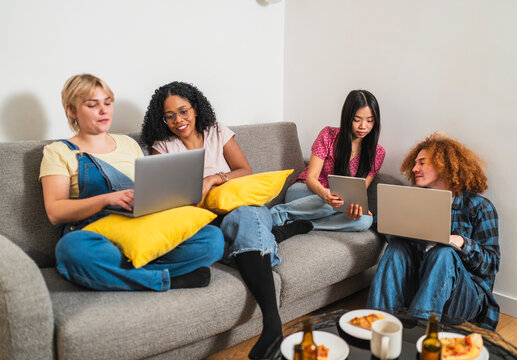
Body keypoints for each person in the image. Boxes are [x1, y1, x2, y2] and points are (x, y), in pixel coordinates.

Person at [141, 81, 313, 359]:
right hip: (203, 220)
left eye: (183, 111)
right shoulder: (163, 146)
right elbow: (166, 198)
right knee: (246, 234)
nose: (178, 120)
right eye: (169, 116)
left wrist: (214, 178)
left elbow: (244, 170)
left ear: (195, 108)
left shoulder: (217, 132)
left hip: (237, 210)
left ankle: (272, 324)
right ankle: (276, 236)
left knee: (248, 214)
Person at [40, 74, 224, 291]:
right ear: (71, 110)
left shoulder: (128, 144)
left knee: (212, 239)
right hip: (98, 238)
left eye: (108, 103)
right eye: (93, 105)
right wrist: (107, 199)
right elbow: (56, 212)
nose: (104, 110)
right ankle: (166, 280)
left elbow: (148, 193)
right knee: (70, 250)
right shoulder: (58, 151)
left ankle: (122, 274)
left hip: (139, 230)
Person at [366, 133, 500, 330]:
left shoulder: (480, 207)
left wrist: (460, 242)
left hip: (462, 297)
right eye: (414, 163)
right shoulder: (414, 201)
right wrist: (370, 217)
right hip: (420, 287)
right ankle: (377, 326)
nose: (414, 168)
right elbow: (388, 228)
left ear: (442, 164)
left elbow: (492, 265)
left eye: (421, 162)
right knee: (397, 247)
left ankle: (420, 334)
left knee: (444, 253)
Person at [270, 89, 385, 231]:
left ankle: (303, 225)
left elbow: (358, 194)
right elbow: (311, 178)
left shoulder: (377, 153)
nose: (363, 126)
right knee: (334, 201)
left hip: (335, 202)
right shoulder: (328, 135)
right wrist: (325, 194)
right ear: (348, 117)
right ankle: (278, 214)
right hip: (305, 192)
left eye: (370, 121)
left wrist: (355, 209)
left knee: (365, 220)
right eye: (357, 120)